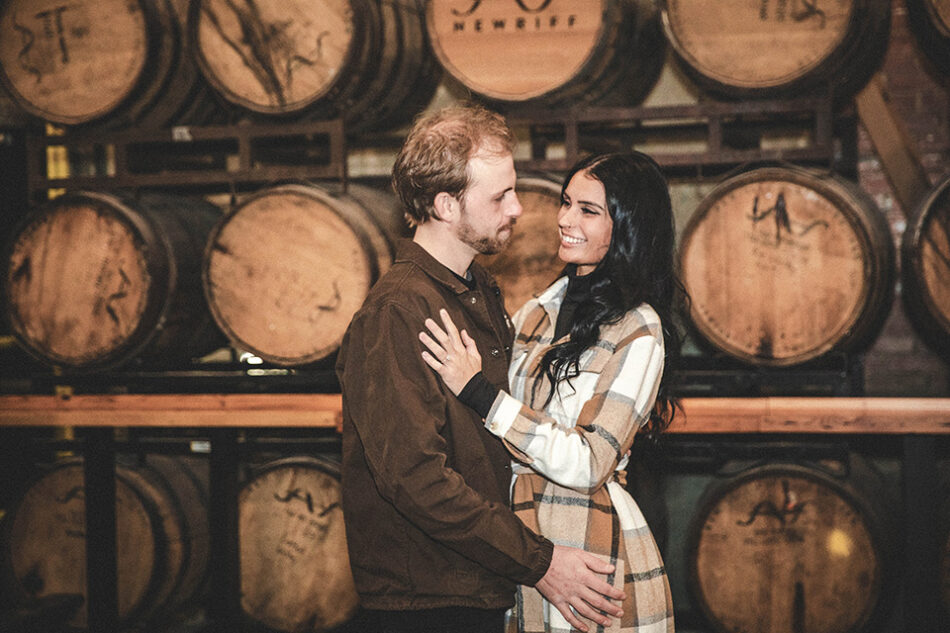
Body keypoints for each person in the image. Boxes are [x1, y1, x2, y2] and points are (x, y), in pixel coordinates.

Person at [335, 104, 625, 633]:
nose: (518, 207)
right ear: (446, 204)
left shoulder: (476, 289)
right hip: (427, 601)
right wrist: (540, 563)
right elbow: (416, 479)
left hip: (476, 584)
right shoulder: (398, 312)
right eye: (499, 196)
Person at [419, 151, 681, 633]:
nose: (565, 219)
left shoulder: (638, 330)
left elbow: (589, 462)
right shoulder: (538, 310)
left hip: (586, 545)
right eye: (566, 203)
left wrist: (481, 394)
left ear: (626, 225)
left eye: (588, 210)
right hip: (522, 546)